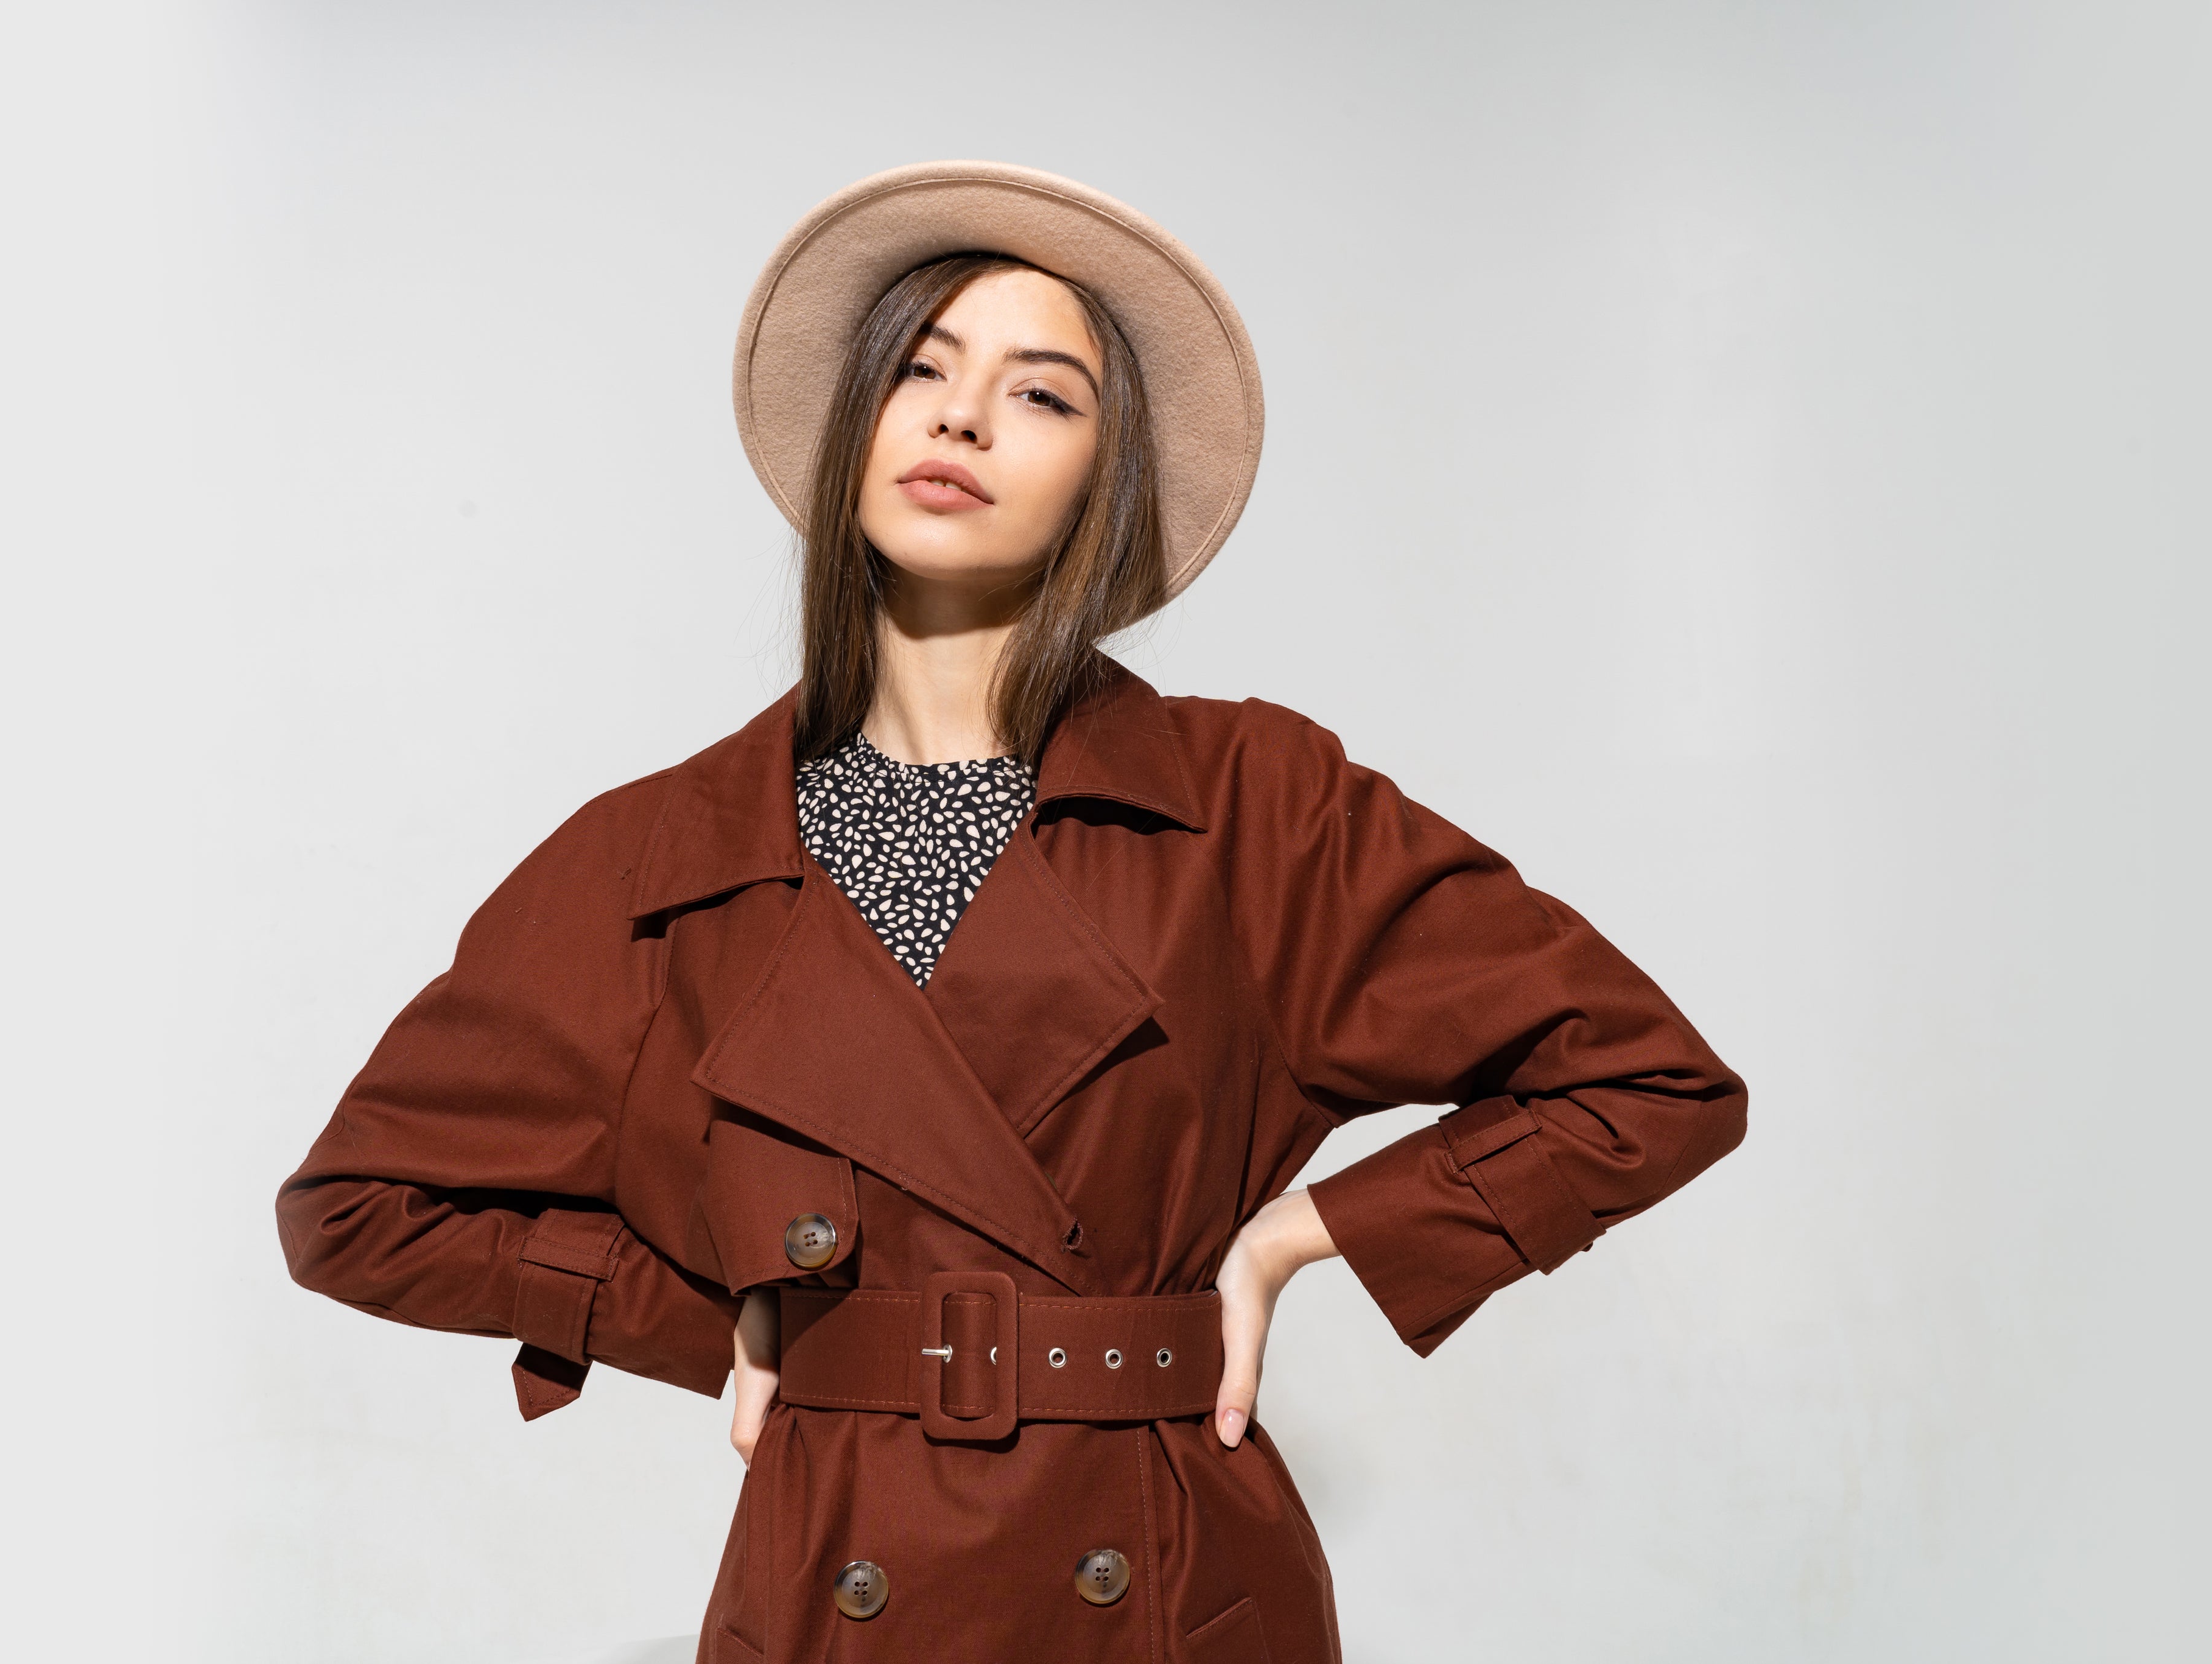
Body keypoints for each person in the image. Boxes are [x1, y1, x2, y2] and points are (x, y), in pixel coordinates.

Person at [277, 161, 1747, 1664]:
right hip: (832, 1573)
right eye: (921, 368)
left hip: (1162, 1582)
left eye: (1042, 396)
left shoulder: (1248, 806)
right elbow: (358, 1209)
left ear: (1098, 489)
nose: (963, 417)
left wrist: (1296, 1237)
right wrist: (722, 1312)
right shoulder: (665, 856)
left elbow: (1647, 1079)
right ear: (858, 422)